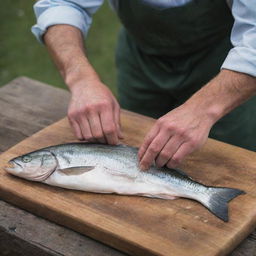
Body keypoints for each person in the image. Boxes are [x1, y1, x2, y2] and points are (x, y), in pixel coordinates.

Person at [32, 0, 256, 171]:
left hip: (227, 67)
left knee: (226, 165)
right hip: (141, 62)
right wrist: (81, 80)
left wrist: (202, 110)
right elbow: (63, 4)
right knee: (135, 151)